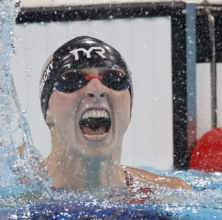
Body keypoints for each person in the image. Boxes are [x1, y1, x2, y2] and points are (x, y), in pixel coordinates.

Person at [39, 36, 193, 192]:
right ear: (48, 112)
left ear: (129, 106)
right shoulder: (20, 192)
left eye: (114, 79)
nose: (96, 89)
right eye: (72, 80)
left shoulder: (169, 192)